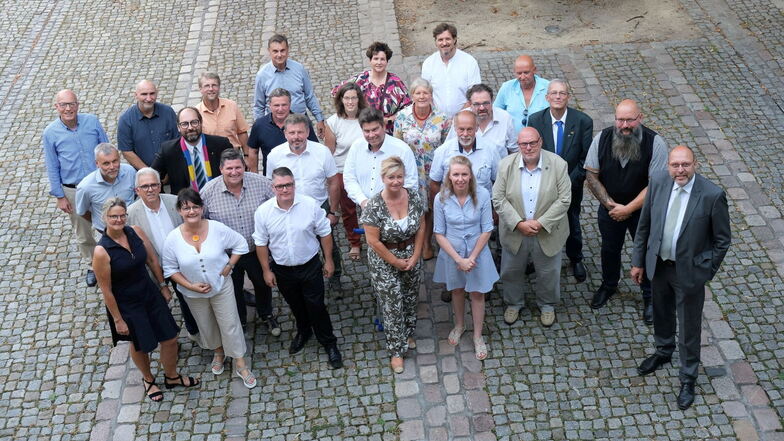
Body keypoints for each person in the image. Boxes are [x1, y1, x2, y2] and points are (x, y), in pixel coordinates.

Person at [631, 146, 731, 410]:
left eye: (685, 164)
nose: (680, 170)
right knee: (661, 312)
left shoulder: (711, 195)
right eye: (675, 165)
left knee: (688, 327)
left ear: (695, 164)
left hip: (689, 273)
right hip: (659, 266)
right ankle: (664, 351)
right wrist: (638, 261)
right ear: (668, 167)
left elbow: (722, 240)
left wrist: (705, 271)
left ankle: (688, 377)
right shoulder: (659, 183)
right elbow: (645, 225)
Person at [93, 197, 199, 401]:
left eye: (121, 215)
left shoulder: (135, 231)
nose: (118, 220)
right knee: (140, 344)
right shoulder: (101, 251)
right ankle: (148, 379)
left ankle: (172, 376)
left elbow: (151, 259)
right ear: (104, 218)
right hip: (127, 303)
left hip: (149, 293)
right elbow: (106, 290)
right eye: (113, 216)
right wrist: (118, 319)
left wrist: (162, 285)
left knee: (170, 338)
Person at [162, 189, 256, 389]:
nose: (191, 211)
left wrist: (229, 266)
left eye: (195, 207)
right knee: (206, 324)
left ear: (202, 208)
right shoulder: (172, 239)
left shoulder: (216, 228)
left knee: (230, 323)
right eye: (186, 208)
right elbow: (169, 269)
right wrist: (189, 285)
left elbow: (240, 244)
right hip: (192, 293)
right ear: (179, 211)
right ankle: (219, 351)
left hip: (222, 287)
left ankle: (240, 362)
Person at [584, 99, 668, 324]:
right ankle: (609, 285)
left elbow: (656, 184)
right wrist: (610, 205)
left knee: (648, 252)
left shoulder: (655, 143)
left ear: (640, 118)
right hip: (610, 209)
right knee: (609, 249)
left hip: (643, 211)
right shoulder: (601, 138)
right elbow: (591, 174)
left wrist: (628, 209)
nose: (625, 125)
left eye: (630, 119)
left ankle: (650, 297)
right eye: (620, 119)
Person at [253, 167, 343, 369]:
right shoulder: (263, 212)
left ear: (294, 185)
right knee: (295, 305)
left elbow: (325, 233)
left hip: (310, 265)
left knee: (317, 306)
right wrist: (266, 270)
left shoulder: (309, 205)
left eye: (289, 185)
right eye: (280, 186)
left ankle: (329, 343)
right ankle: (304, 331)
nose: (285, 189)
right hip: (282, 268)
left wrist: (329, 260)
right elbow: (261, 243)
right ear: (273, 187)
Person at [492, 127, 571, 327]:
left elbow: (564, 200)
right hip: (515, 231)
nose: (528, 148)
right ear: (518, 146)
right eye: (523, 144)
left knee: (548, 272)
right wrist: (518, 223)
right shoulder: (505, 165)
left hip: (546, 231)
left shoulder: (558, 164)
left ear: (540, 141)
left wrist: (540, 223)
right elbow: (498, 198)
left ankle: (547, 305)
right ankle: (513, 303)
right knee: (511, 270)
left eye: (532, 143)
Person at [201, 149, 280, 334]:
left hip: (256, 250)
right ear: (221, 169)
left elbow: (277, 206)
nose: (234, 172)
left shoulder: (261, 184)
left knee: (262, 284)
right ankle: (241, 321)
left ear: (244, 166)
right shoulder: (208, 193)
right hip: (228, 255)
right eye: (229, 168)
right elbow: (202, 222)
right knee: (233, 289)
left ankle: (266, 314)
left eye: (238, 167)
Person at [360, 156, 425, 374]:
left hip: (410, 253)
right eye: (391, 177)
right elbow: (373, 241)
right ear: (383, 178)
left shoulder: (414, 196)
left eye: (399, 177)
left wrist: (416, 255)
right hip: (384, 259)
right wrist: (395, 261)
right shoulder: (374, 205)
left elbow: (422, 226)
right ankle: (396, 350)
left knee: (409, 296)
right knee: (392, 303)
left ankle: (408, 332)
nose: (396, 181)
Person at [266, 114, 344, 294]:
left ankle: (335, 276)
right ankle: (301, 279)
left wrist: (333, 211)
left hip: (319, 206)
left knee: (329, 242)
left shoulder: (322, 152)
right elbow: (270, 185)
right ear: (285, 133)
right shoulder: (275, 155)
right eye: (291, 132)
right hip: (288, 208)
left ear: (308, 132)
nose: (296, 137)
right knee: (296, 243)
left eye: (300, 132)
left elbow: (333, 182)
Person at [527, 79, 593, 282]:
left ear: (568, 97)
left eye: (562, 93)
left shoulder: (583, 121)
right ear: (547, 97)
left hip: (572, 182)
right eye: (553, 93)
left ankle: (576, 257)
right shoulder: (536, 120)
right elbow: (532, 151)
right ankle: (535, 257)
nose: (557, 96)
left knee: (572, 219)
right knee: (540, 217)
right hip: (542, 182)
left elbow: (586, 158)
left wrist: (568, 181)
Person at [42, 89, 109, 286]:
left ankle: (114, 257)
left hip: (99, 184)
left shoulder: (92, 122)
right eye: (63, 105)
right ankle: (93, 266)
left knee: (108, 221)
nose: (68, 108)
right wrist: (59, 196)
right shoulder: (50, 133)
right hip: (73, 189)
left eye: (72, 104)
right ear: (57, 107)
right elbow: (52, 165)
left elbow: (105, 149)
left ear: (78, 105)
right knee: (83, 232)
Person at [433, 156, 497, 360]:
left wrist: (472, 257)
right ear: (449, 177)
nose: (460, 179)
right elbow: (439, 232)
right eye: (456, 174)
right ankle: (459, 325)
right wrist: (459, 260)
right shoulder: (440, 198)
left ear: (470, 176)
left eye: (464, 174)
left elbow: (487, 229)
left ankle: (478, 335)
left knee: (477, 294)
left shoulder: (484, 195)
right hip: (452, 252)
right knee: (457, 290)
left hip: (477, 252)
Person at [127, 168, 200, 339]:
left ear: (160, 186)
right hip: (152, 267)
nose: (150, 189)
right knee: (158, 305)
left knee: (187, 299)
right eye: (145, 186)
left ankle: (194, 330)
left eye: (154, 185)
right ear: (137, 190)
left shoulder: (175, 202)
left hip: (180, 263)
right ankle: (168, 338)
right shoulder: (130, 214)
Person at [393, 78, 451, 260]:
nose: (422, 96)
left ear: (431, 95)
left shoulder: (443, 119)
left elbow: (447, 147)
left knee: (433, 207)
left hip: (434, 171)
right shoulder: (402, 117)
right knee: (416, 208)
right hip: (411, 171)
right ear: (412, 96)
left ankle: (429, 241)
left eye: (425, 92)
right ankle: (419, 243)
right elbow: (397, 146)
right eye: (418, 93)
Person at [324, 83, 368, 260]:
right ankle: (355, 241)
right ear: (341, 100)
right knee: (349, 210)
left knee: (371, 205)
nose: (350, 101)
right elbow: (330, 152)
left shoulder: (366, 117)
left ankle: (374, 236)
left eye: (354, 97)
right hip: (343, 170)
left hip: (366, 168)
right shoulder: (333, 122)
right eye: (347, 98)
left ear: (359, 99)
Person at [253, 34, 326, 138]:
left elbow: (309, 96)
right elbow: (259, 106)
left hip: (301, 122)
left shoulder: (299, 69)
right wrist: (260, 129)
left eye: (282, 50)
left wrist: (319, 119)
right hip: (276, 127)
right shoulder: (262, 75)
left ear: (288, 50)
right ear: (269, 51)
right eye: (275, 51)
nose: (279, 55)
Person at [344, 108, 419, 210]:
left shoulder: (402, 150)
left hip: (395, 209)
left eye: (375, 129)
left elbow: (411, 184)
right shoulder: (356, 147)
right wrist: (363, 201)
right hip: (365, 208)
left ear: (383, 126)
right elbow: (349, 178)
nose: (371, 135)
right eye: (366, 131)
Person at [332, 42, 411, 133]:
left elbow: (408, 108)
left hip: (388, 132)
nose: (379, 62)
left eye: (382, 59)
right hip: (365, 132)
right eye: (376, 59)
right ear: (370, 61)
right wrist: (353, 112)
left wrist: (391, 119)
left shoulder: (395, 82)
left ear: (387, 61)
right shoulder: (361, 80)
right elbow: (336, 92)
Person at [152, 107, 233, 194]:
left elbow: (236, 170)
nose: (190, 128)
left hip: (219, 198)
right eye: (184, 124)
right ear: (178, 127)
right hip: (187, 204)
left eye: (194, 122)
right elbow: (152, 177)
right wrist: (164, 199)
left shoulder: (221, 144)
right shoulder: (168, 150)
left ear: (201, 123)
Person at [247, 88, 318, 174]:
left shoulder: (302, 122)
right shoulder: (259, 125)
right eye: (276, 105)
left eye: (284, 105)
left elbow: (315, 148)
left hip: (301, 174)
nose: (280, 109)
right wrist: (255, 176)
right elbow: (253, 151)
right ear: (270, 105)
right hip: (273, 176)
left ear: (290, 104)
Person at [430, 110, 500, 197]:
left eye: (469, 129)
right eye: (461, 129)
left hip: (482, 207)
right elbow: (434, 184)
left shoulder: (491, 149)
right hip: (451, 207)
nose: (465, 134)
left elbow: (497, 182)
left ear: (477, 128)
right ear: (455, 128)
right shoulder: (442, 151)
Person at [420, 23, 481, 117]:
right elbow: (426, 93)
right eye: (440, 40)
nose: (444, 43)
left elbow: (474, 95)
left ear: (454, 39)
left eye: (447, 39)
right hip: (436, 119)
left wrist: (458, 118)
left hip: (464, 119)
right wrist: (438, 117)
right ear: (435, 42)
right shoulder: (428, 63)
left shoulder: (470, 62)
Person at [117, 80, 178, 169]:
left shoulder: (168, 112)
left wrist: (169, 170)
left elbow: (177, 142)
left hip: (172, 171)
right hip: (143, 176)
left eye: (152, 93)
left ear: (157, 93)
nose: (149, 98)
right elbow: (127, 151)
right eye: (144, 94)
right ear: (136, 95)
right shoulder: (126, 120)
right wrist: (149, 173)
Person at [76, 143, 137, 232]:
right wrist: (102, 222)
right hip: (105, 233)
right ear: (97, 164)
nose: (112, 167)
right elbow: (83, 212)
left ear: (119, 159)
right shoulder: (85, 187)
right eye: (106, 163)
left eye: (115, 161)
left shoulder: (130, 172)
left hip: (132, 229)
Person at [446, 83, 516, 157]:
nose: (482, 108)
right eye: (477, 104)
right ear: (470, 104)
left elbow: (514, 150)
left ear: (492, 101)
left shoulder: (505, 118)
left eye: (485, 103)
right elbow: (448, 148)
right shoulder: (461, 118)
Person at [196, 72, 251, 156]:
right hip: (210, 156)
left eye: (214, 85)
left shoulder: (232, 105)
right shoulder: (196, 112)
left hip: (233, 155)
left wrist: (247, 155)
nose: (211, 89)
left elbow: (242, 132)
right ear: (200, 89)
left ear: (219, 87)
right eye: (207, 86)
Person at [494, 55, 550, 133]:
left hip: (541, 140)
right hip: (512, 141)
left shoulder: (548, 87)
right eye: (519, 73)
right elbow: (495, 112)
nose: (522, 77)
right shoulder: (506, 87)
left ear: (534, 70)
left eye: (526, 73)